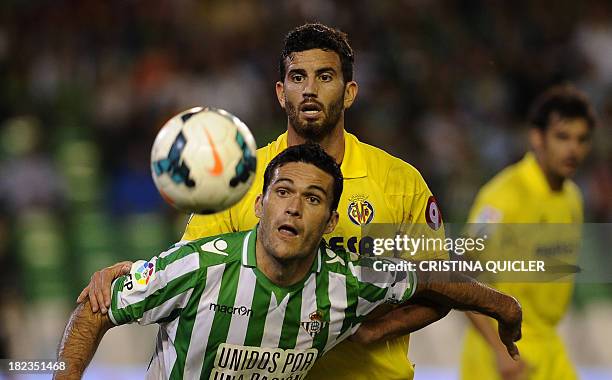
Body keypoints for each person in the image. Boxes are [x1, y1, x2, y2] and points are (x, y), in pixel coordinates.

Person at [79, 23, 449, 380]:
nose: (309, 90)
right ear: (280, 91)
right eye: (297, 77)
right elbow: (190, 272)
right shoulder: (239, 178)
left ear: (349, 91)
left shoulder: (400, 182)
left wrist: (377, 331)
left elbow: (442, 284)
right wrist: (139, 274)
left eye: (324, 76)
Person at [57, 144, 522, 380]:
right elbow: (95, 309)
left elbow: (428, 277)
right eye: (282, 193)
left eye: (312, 198)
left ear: (331, 219)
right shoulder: (199, 266)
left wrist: (502, 306)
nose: (294, 208)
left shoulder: (346, 282)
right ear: (260, 205)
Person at [460, 85, 595, 380]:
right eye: (562, 137)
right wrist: (499, 352)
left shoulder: (573, 197)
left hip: (548, 346)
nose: (573, 149)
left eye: (581, 139)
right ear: (537, 137)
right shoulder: (502, 198)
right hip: (502, 352)